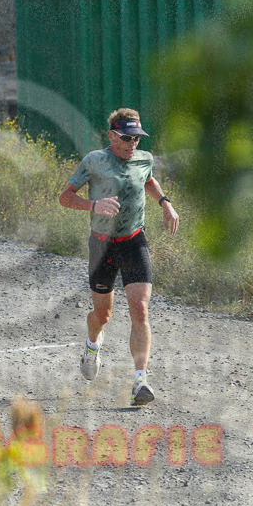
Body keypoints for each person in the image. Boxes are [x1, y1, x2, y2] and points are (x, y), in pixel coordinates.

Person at [58, 109, 180, 406]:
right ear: (112, 135)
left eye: (137, 138)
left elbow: (148, 180)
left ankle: (141, 381)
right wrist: (93, 205)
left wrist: (165, 203)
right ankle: (92, 345)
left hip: (134, 242)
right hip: (102, 245)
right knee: (102, 316)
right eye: (127, 138)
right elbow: (65, 197)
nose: (132, 144)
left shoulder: (144, 158)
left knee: (140, 310)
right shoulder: (94, 161)